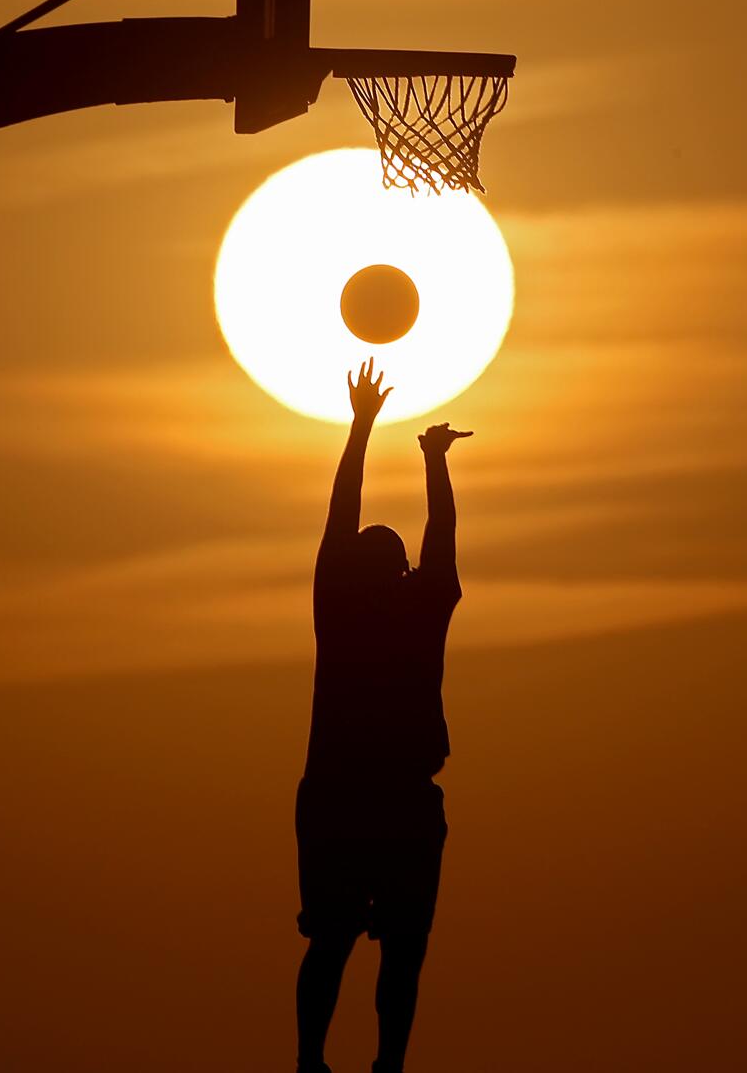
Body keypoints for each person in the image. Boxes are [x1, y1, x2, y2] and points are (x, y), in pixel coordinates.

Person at [295, 358, 471, 1073]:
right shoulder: (416, 609)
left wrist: (364, 425)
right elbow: (441, 534)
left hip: (353, 797)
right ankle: (377, 1063)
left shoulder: (343, 609)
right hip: (376, 798)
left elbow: (345, 512)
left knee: (343, 938)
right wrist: (431, 460)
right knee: (389, 944)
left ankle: (321, 1059)